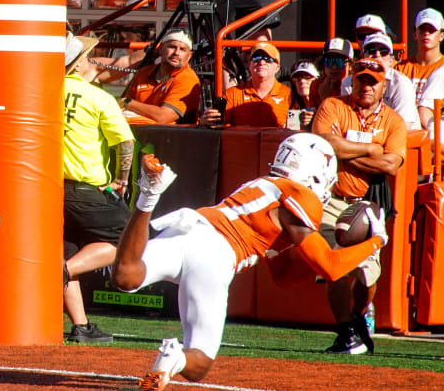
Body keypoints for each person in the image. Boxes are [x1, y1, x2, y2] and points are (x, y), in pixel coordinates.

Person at [110, 133, 388, 390]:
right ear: (319, 172)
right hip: (215, 253)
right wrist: (377, 241)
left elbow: (282, 276)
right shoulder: (301, 196)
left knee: (126, 275)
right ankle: (175, 358)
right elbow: (331, 267)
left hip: (190, 226)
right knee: (199, 364)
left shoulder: (261, 185)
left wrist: (338, 249)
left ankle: (148, 195)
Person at [311, 58, 406, 355]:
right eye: (361, 80)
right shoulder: (333, 106)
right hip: (331, 198)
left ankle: (359, 312)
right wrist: (369, 149)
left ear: (383, 86)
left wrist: (343, 151)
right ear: (353, 81)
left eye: (373, 81)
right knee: (334, 266)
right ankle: (344, 331)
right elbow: (323, 143)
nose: (366, 86)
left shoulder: (393, 120)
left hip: (367, 205)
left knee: (367, 274)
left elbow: (391, 165)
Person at [62, 31, 134, 342]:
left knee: (69, 256)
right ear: (76, 66)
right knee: (130, 240)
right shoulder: (99, 97)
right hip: (84, 189)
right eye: (89, 57)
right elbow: (125, 142)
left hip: (48, 190)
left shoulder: (43, 89)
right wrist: (121, 179)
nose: (97, 61)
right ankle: (56, 276)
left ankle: (81, 326)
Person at [118, 28, 201, 125]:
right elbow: (121, 107)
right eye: (172, 47)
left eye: (182, 49)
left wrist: (129, 103)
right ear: (161, 49)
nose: (176, 53)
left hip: (171, 136)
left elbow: (163, 117)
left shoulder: (187, 79)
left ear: (189, 56)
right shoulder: (144, 72)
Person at [200, 41, 291, 128]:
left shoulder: (289, 96)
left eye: (268, 59)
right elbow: (215, 123)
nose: (261, 62)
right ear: (249, 65)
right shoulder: (233, 94)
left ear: (277, 68)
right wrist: (205, 122)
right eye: (256, 58)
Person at [341, 33, 420, 130]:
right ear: (362, 56)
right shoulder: (348, 82)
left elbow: (402, 128)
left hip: (404, 140)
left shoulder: (401, 83)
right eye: (371, 50)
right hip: (363, 136)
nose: (377, 54)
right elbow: (346, 122)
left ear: (391, 60)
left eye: (383, 51)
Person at [394, 8, 444, 103]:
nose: (426, 33)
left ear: (441, 35)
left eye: (432, 30)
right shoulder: (400, 69)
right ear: (415, 34)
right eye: (422, 29)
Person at [310, 38, 354, 107]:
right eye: (329, 61)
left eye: (339, 62)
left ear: (350, 65)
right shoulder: (316, 85)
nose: (334, 67)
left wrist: (325, 98)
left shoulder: (354, 85)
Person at [287, 59, 319, 130]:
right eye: (297, 78)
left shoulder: (325, 105)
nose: (302, 81)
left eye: (307, 77)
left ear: (318, 80)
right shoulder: (291, 107)